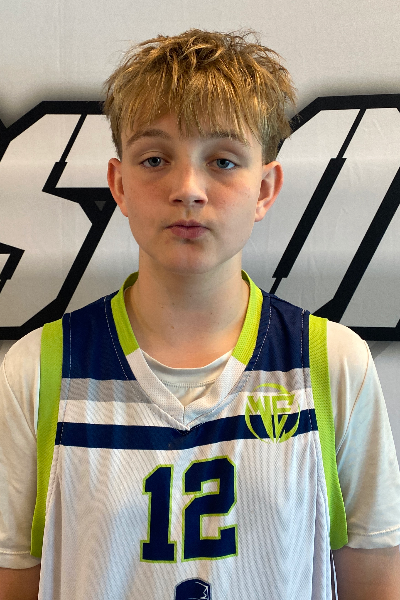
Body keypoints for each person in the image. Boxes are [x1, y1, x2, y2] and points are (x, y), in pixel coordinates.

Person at [0, 29, 399, 600]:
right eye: (155, 159)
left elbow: (376, 580)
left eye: (223, 161)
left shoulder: (332, 364)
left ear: (265, 188)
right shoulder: (38, 370)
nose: (188, 188)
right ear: (119, 184)